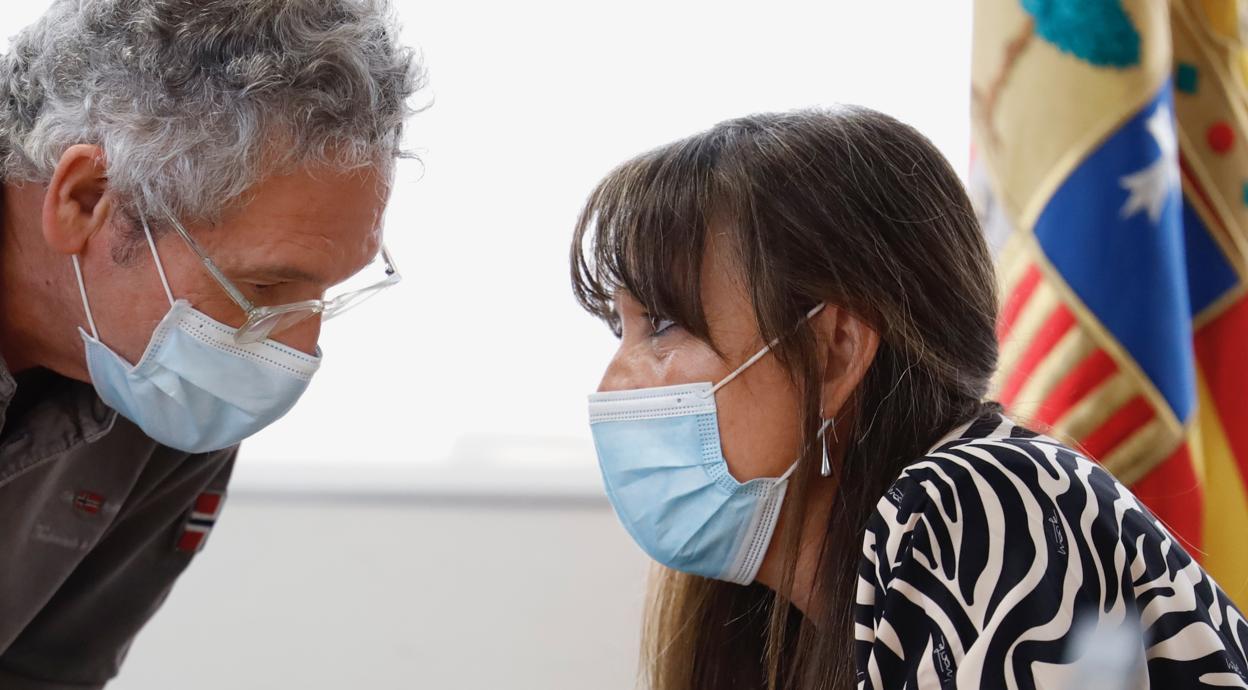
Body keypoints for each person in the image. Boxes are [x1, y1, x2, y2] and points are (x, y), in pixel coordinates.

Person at [572, 108, 1248, 688]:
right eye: (620, 329)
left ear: (834, 350)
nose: (614, 382)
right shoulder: (791, 616)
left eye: (663, 325)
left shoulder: (984, 502)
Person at [0, 0, 421, 686]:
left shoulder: (169, 390)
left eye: (323, 293)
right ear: (85, 198)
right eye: (264, 286)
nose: (299, 347)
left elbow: (45, 675)